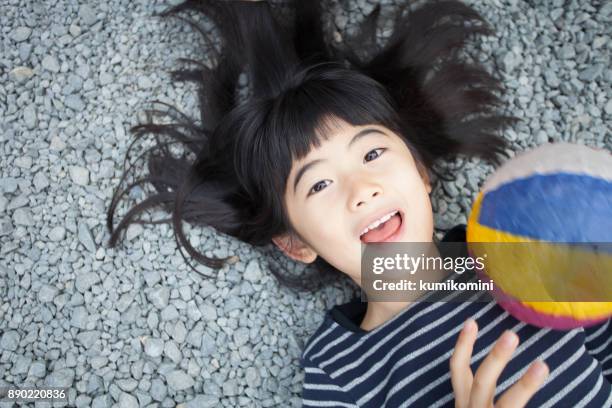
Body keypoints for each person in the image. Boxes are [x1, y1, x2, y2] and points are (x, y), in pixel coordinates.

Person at [106, 0, 612, 406]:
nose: (361, 188)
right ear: (295, 243)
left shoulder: (514, 252)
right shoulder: (339, 368)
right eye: (318, 185)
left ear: (421, 172)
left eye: (372, 152)